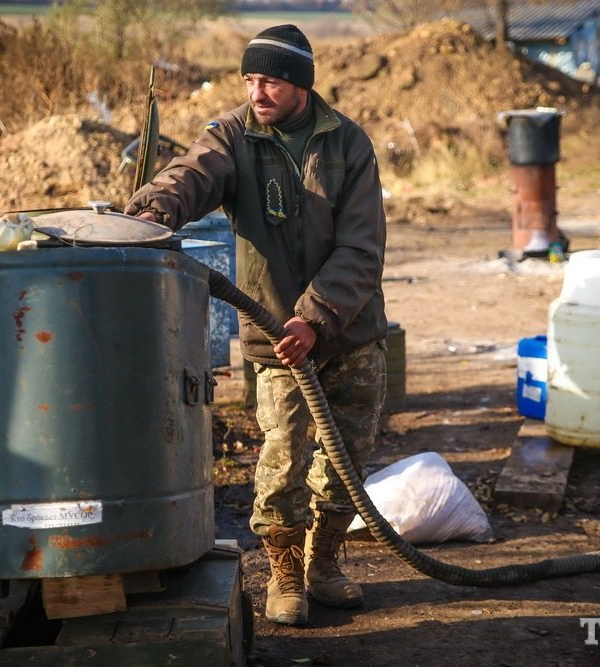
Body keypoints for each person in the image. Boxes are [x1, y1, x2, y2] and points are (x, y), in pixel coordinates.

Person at [124, 24, 388, 627]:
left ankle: (324, 565)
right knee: (281, 461)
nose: (256, 90)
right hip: (279, 344)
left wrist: (315, 316)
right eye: (248, 78)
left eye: (268, 79)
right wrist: (150, 213)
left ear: (299, 83)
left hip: (348, 332)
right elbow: (190, 174)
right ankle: (284, 574)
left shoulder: (349, 144)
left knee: (346, 460)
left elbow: (363, 247)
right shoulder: (233, 136)